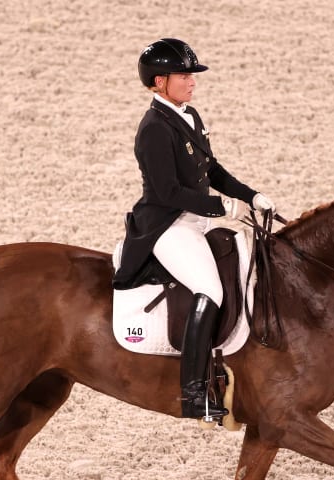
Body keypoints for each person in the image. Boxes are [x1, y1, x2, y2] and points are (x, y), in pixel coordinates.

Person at [112, 38, 276, 422]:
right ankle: (193, 393)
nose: (191, 81)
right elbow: (169, 192)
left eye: (192, 74)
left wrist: (250, 196)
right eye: (183, 75)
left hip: (195, 219)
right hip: (166, 225)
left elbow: (212, 170)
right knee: (210, 288)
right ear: (158, 82)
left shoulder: (189, 115)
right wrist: (223, 207)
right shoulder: (153, 128)